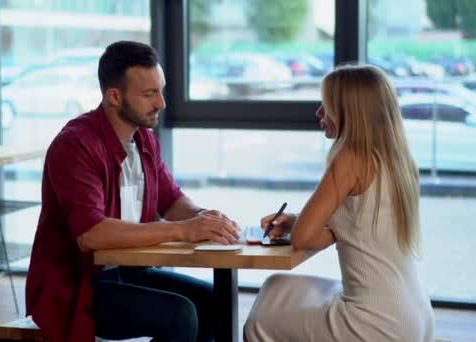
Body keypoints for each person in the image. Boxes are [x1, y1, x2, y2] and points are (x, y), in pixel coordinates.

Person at [25, 40, 240, 342]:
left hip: (127, 273)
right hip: (78, 286)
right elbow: (91, 234)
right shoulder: (75, 145)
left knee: (214, 302)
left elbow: (172, 200)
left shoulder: (145, 140)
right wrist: (183, 230)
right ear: (114, 96)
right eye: (150, 94)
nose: (162, 103)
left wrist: (205, 218)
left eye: (161, 90)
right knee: (180, 316)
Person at [244, 65, 434, 342]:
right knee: (277, 286)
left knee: (260, 320)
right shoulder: (402, 162)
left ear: (349, 112)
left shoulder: (350, 158)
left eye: (327, 105)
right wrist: (297, 219)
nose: (319, 113)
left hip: (376, 322)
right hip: (415, 314)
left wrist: (300, 226)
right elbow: (356, 223)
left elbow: (303, 239)